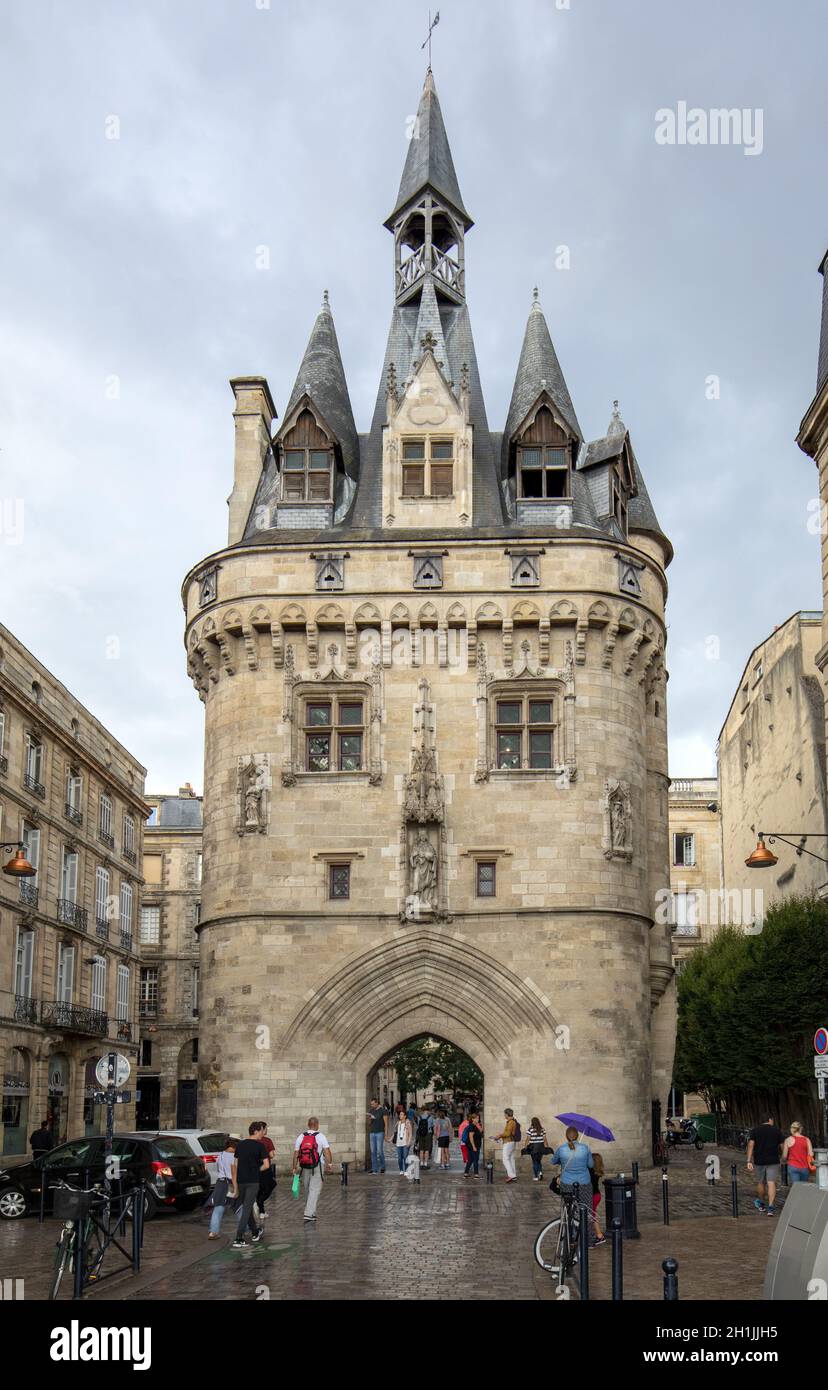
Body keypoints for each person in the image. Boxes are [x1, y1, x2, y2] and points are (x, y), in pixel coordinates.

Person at [551, 1126, 600, 1245]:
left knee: (567, 1210)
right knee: (586, 1210)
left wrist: (562, 1161)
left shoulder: (561, 1149)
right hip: (584, 1183)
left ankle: (569, 1237)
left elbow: (553, 1161)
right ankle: (589, 1239)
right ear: (577, 1136)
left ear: (566, 1136)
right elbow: (590, 1164)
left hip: (567, 1184)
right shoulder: (585, 1148)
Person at [231, 1121, 270, 1248]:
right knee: (247, 1209)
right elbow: (266, 1165)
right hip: (253, 1181)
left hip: (241, 1180)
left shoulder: (240, 1145)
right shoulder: (260, 1146)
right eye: (261, 1131)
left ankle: (255, 1232)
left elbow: (235, 1165)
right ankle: (238, 1237)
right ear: (256, 1131)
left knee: (246, 1207)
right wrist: (256, 1170)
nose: (262, 1134)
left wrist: (235, 1185)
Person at [292, 1117, 333, 1222]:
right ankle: (308, 1214)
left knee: (307, 1190)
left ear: (308, 1124)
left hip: (304, 1166)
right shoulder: (321, 1136)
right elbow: (327, 1151)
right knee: (314, 1190)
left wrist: (294, 1167)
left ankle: (312, 1212)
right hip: (317, 1167)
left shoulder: (301, 1136)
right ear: (317, 1125)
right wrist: (330, 1164)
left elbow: (296, 1153)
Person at [747, 1114, 784, 1216]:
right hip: (773, 1160)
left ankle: (762, 1203)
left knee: (761, 1182)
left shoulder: (755, 1130)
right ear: (770, 1120)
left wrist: (749, 1160)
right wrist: (784, 1157)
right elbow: (782, 1145)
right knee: (771, 1182)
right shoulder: (776, 1130)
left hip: (759, 1160)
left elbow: (751, 1145)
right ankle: (771, 1207)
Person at [208, 1137, 238, 1239]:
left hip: (220, 1183)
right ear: (233, 1146)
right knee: (239, 1207)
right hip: (230, 1183)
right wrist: (236, 1187)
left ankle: (213, 1232)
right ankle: (247, 1228)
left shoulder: (220, 1155)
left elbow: (218, 1169)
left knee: (218, 1207)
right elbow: (234, 1173)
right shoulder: (234, 1156)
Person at [255, 1121, 276, 1222]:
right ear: (262, 1129)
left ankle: (261, 1211)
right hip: (265, 1168)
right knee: (271, 1185)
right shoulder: (267, 1140)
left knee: (259, 1189)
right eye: (266, 1128)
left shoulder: (252, 1140)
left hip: (255, 1167)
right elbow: (271, 1155)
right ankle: (260, 1203)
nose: (267, 1130)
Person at [494, 1108, 520, 1183]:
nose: (504, 1115)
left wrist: (499, 1135)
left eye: (504, 1114)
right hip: (511, 1141)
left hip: (508, 1142)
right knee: (511, 1158)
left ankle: (512, 1175)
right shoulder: (512, 1121)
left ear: (507, 1114)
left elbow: (508, 1133)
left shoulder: (511, 1122)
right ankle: (513, 1175)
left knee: (505, 1159)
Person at [367, 1096, 390, 1174]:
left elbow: (386, 1124)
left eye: (373, 1104)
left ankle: (383, 1166)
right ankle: (374, 1168)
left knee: (380, 1151)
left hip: (380, 1132)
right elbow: (369, 1123)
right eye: (371, 1104)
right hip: (372, 1132)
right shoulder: (371, 1110)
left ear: (377, 1103)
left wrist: (386, 1135)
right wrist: (370, 1119)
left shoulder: (383, 1111)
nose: (372, 1105)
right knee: (373, 1151)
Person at [590, 1151, 606, 1242]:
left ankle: (599, 1235)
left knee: (592, 1216)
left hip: (593, 1195)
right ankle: (598, 1234)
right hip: (597, 1195)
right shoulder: (597, 1172)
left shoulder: (591, 1171)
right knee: (592, 1214)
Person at [525, 1116, 547, 1181]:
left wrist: (525, 1146)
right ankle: (540, 1173)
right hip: (541, 1147)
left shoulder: (530, 1129)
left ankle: (536, 1176)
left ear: (532, 1122)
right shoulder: (542, 1129)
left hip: (533, 1147)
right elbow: (545, 1139)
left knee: (534, 1162)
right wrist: (547, 1147)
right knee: (539, 1161)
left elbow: (528, 1139)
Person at [393, 1107, 413, 1173]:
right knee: (399, 1158)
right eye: (400, 1114)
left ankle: (406, 1170)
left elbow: (410, 1134)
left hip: (405, 1143)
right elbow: (395, 1133)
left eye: (401, 1114)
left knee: (405, 1157)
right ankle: (401, 1170)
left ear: (405, 1116)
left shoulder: (408, 1123)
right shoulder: (398, 1123)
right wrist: (389, 1139)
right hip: (399, 1143)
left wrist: (409, 1142)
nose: (400, 1116)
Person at [464, 1113, 482, 1177]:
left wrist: (478, 1125)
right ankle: (476, 1174)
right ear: (472, 1119)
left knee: (470, 1160)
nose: (478, 1119)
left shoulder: (475, 1126)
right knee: (475, 1160)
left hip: (474, 1145)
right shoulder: (471, 1126)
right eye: (476, 1118)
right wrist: (474, 1146)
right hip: (473, 1146)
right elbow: (471, 1137)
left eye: (478, 1118)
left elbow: (481, 1131)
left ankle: (466, 1173)